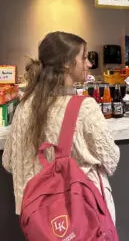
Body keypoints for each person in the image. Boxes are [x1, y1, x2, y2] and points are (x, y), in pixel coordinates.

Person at [2, 31, 120, 223]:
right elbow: (111, 160)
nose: (89, 64)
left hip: (39, 222)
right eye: (83, 58)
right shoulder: (84, 108)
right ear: (66, 63)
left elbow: (8, 162)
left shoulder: (23, 106)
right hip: (83, 216)